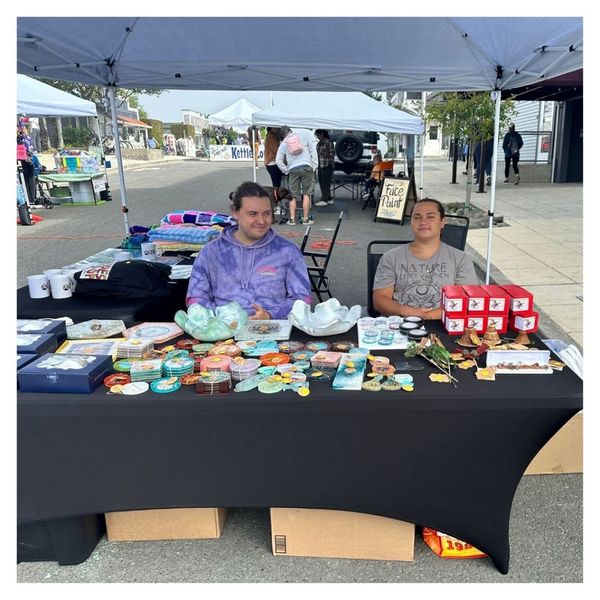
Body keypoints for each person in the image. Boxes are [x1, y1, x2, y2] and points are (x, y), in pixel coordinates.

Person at [186, 181, 312, 320]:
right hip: (221, 335)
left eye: (267, 213)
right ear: (235, 212)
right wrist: (223, 319)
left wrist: (271, 315)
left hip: (274, 334)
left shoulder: (288, 251)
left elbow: (302, 299)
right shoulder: (211, 252)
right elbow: (195, 299)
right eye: (253, 214)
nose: (261, 220)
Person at [372, 198, 478, 320]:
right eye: (417, 217)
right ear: (411, 222)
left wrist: (430, 315)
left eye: (430, 217)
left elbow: (467, 301)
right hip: (400, 323)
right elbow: (380, 299)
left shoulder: (461, 259)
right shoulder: (391, 258)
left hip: (445, 323)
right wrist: (411, 312)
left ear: (442, 222)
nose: (423, 222)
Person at [275, 125, 318, 226]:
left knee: (292, 196)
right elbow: (313, 151)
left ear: (282, 135)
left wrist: (286, 170)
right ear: (291, 130)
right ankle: (306, 219)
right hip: (307, 167)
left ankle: (292, 219)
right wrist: (314, 166)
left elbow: (278, 160)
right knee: (307, 194)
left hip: (293, 169)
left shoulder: (284, 143)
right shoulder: (303, 135)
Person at [313, 129, 335, 206]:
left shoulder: (328, 142)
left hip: (327, 164)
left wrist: (322, 153)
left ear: (322, 134)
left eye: (318, 135)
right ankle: (329, 198)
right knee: (321, 181)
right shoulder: (319, 143)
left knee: (326, 182)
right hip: (320, 164)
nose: (317, 137)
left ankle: (324, 199)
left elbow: (331, 154)